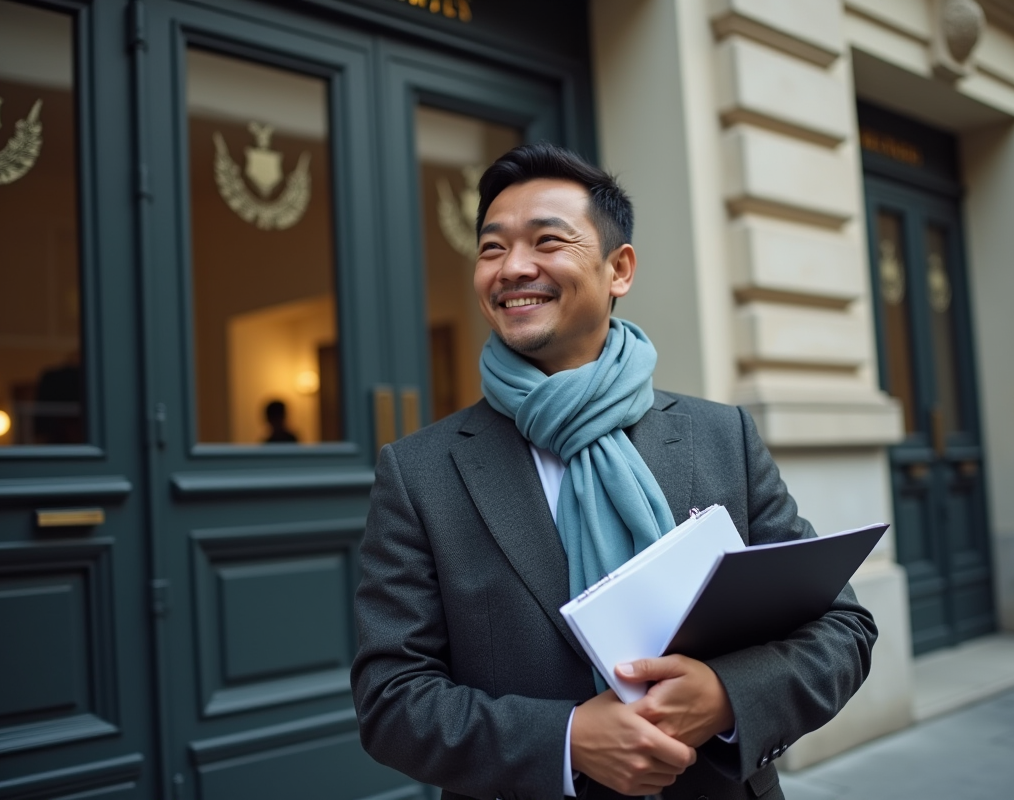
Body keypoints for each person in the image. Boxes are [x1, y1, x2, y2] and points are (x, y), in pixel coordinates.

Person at [351, 143, 877, 800]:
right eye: (491, 249)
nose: (513, 268)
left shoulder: (723, 438)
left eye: (547, 241)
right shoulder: (419, 473)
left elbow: (842, 628)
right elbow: (390, 700)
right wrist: (566, 739)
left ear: (618, 269)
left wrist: (724, 696)